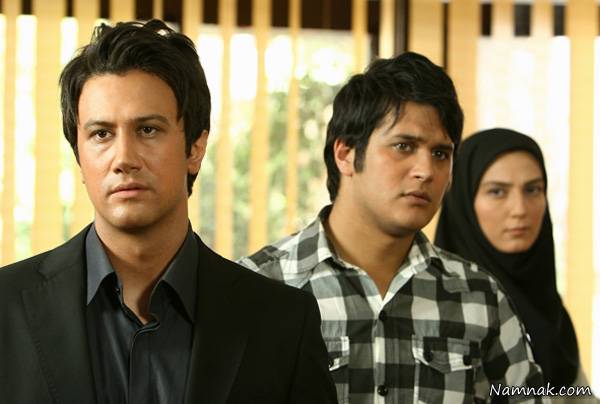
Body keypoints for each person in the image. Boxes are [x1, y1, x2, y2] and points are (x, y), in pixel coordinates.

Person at [0, 19, 337, 404]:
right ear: (79, 156)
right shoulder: (6, 308)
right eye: (101, 134)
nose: (123, 159)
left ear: (195, 148)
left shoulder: (281, 323)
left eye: (147, 130)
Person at [239, 52, 544, 403]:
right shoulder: (260, 287)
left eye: (440, 154)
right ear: (346, 154)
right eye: (404, 146)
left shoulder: (479, 296)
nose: (425, 171)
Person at [435, 128, 598, 402]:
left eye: (532, 190)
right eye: (497, 191)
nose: (520, 209)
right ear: (463, 199)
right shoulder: (432, 303)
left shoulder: (546, 304)